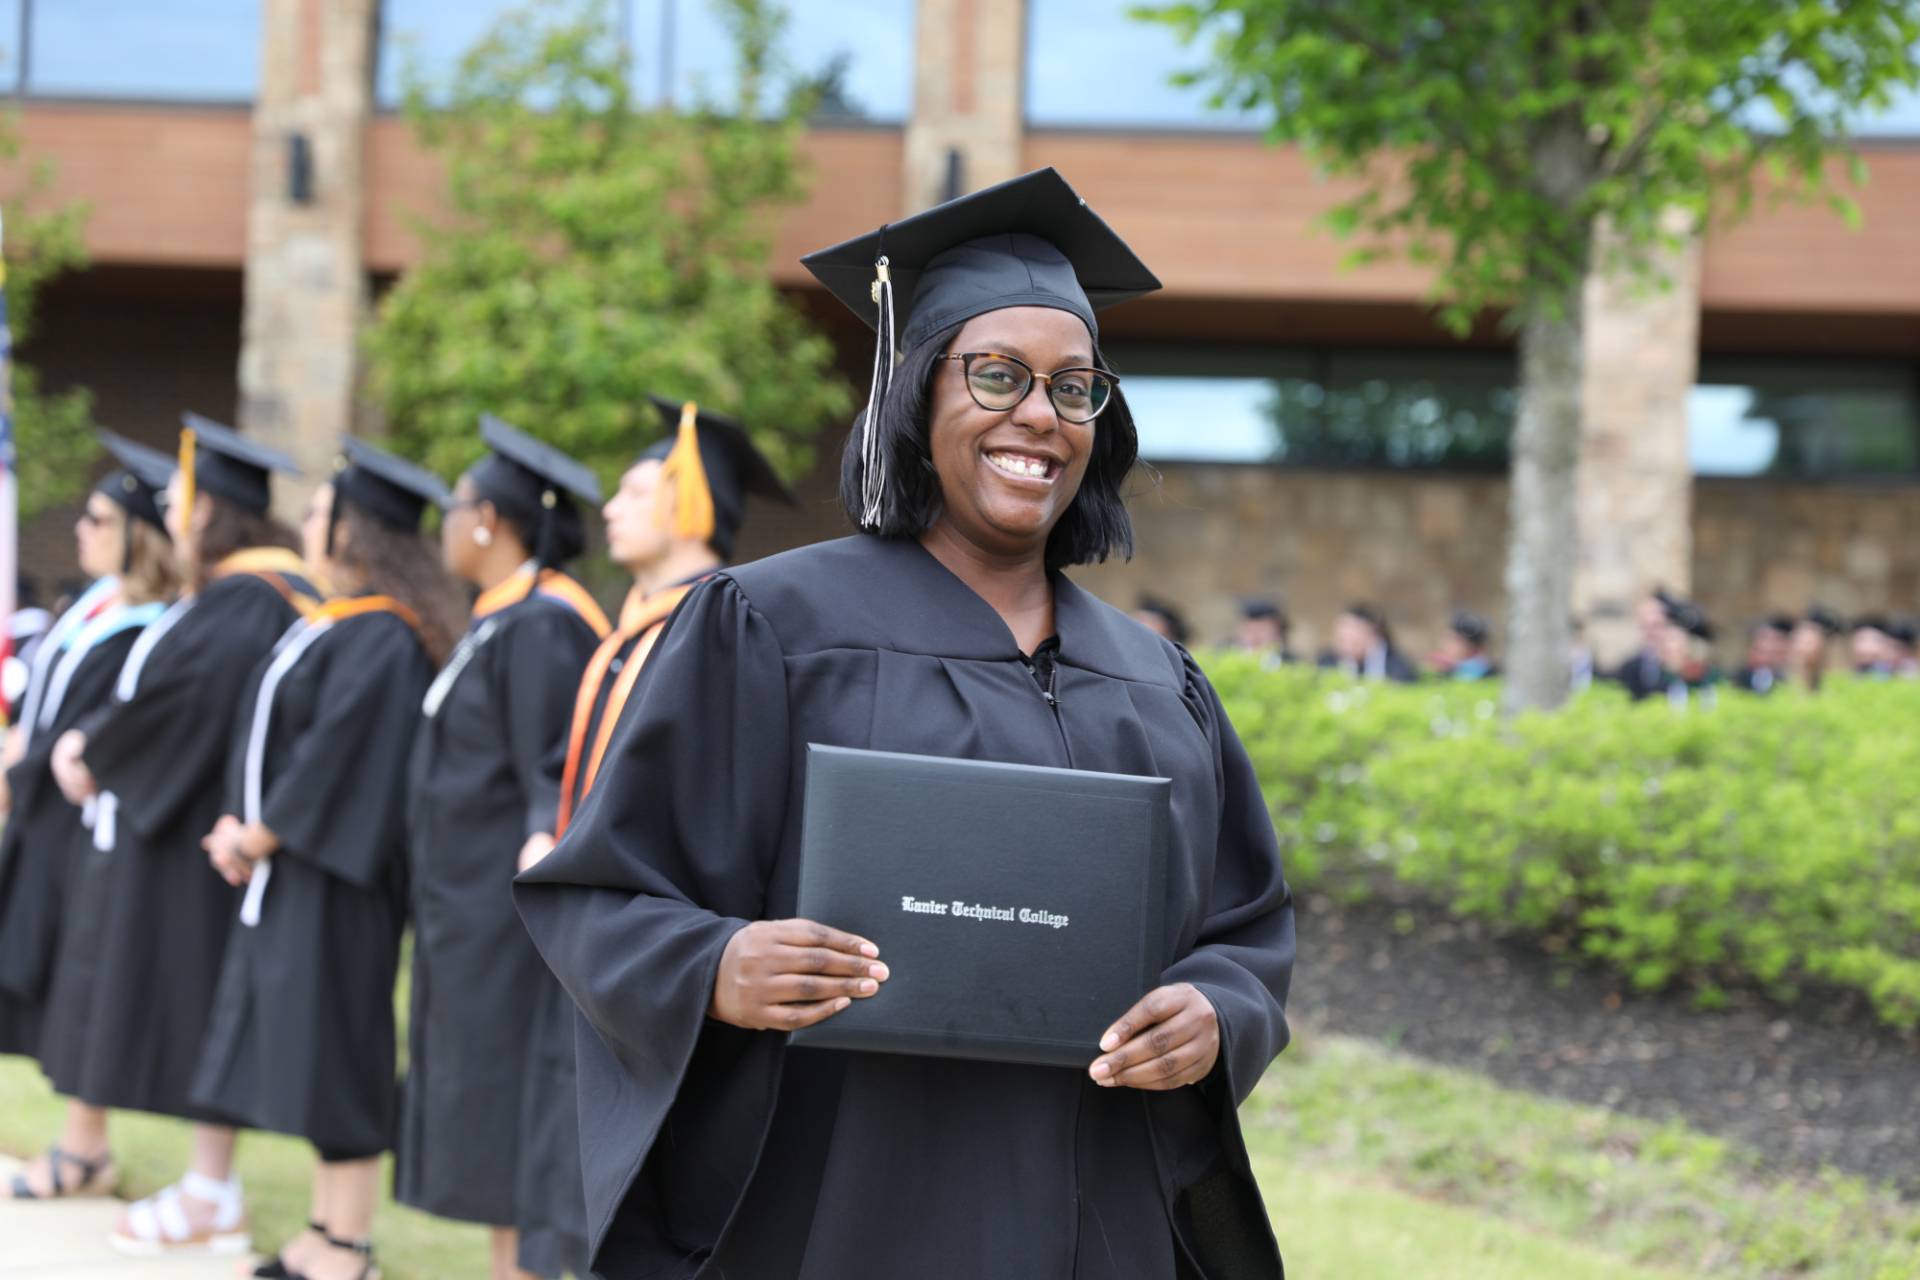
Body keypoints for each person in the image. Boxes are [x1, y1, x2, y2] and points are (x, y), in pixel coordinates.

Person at [517, 167, 1295, 1279]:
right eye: (997, 374)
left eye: (1075, 388)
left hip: (1102, 1218)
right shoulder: (770, 627)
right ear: (917, 392)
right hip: (848, 1210)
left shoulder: (1157, 682)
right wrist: (719, 961)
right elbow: (604, 891)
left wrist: (1217, 1013)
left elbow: (1247, 926)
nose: (1039, 414)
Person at [512, 395, 796, 1280]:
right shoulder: (625, 629)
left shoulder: (723, 627)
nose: (610, 509)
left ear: (687, 501)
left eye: (636, 491)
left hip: (663, 950)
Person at [40, 414, 321, 1253]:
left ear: (208, 515)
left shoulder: (245, 599)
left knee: (202, 1006)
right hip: (201, 830)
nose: (166, 516)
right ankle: (206, 1188)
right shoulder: (244, 595)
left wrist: (100, 749)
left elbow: (184, 700)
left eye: (178, 503)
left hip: (203, 843)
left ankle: (212, 1192)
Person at [188, 440, 459, 1280]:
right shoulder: (338, 622)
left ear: (357, 530)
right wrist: (240, 822)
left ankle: (347, 1247)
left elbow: (340, 758)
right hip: (297, 871)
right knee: (311, 1051)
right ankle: (317, 1232)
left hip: (340, 880)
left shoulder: (386, 635)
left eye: (319, 511)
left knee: (339, 1054)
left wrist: (259, 833)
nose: (306, 524)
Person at [398, 414, 610, 1280]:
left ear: (487, 520)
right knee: (480, 1098)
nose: (444, 525)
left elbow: (547, 769)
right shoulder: (502, 617)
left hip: (506, 916)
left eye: (454, 506)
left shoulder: (546, 625)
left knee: (509, 1096)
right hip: (467, 909)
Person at [0, 433, 179, 1186]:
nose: (81, 528)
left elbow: (97, 723)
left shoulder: (147, 622)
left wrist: (22, 760)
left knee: (73, 975)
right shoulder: (98, 608)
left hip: (79, 826)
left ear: (139, 534)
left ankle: (83, 1148)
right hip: (41, 817)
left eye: (99, 519)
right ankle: (77, 1146)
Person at [1317, 602, 1419, 682]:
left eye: (1352, 639)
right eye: (1341, 640)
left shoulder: (1397, 666)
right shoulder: (1327, 662)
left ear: (1373, 636)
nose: (1345, 646)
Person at [1613, 587, 1676, 701]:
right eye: (1645, 626)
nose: (1651, 633)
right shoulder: (1629, 667)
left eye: (1656, 625)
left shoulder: (1678, 666)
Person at [1655, 597, 1720, 708]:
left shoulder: (1717, 682)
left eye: (1672, 640)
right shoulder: (1661, 681)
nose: (1665, 647)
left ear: (1692, 648)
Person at [1732, 614, 1795, 693]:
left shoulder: (1790, 681)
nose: (1767, 657)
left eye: (1775, 652)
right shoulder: (1736, 680)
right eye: (1760, 650)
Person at [1430, 609, 1497, 680]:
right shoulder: (1442, 671)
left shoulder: (1488, 675)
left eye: (1453, 639)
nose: (1443, 644)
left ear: (1471, 647)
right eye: (1445, 638)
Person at [1787, 606, 1843, 691]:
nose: (1802, 648)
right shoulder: (1783, 682)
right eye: (1799, 642)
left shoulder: (1838, 680)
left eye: (1808, 643)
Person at [1230, 597, 1294, 666]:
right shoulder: (1226, 657)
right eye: (1249, 630)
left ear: (1277, 632)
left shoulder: (1291, 663)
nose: (1254, 636)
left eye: (1262, 630)